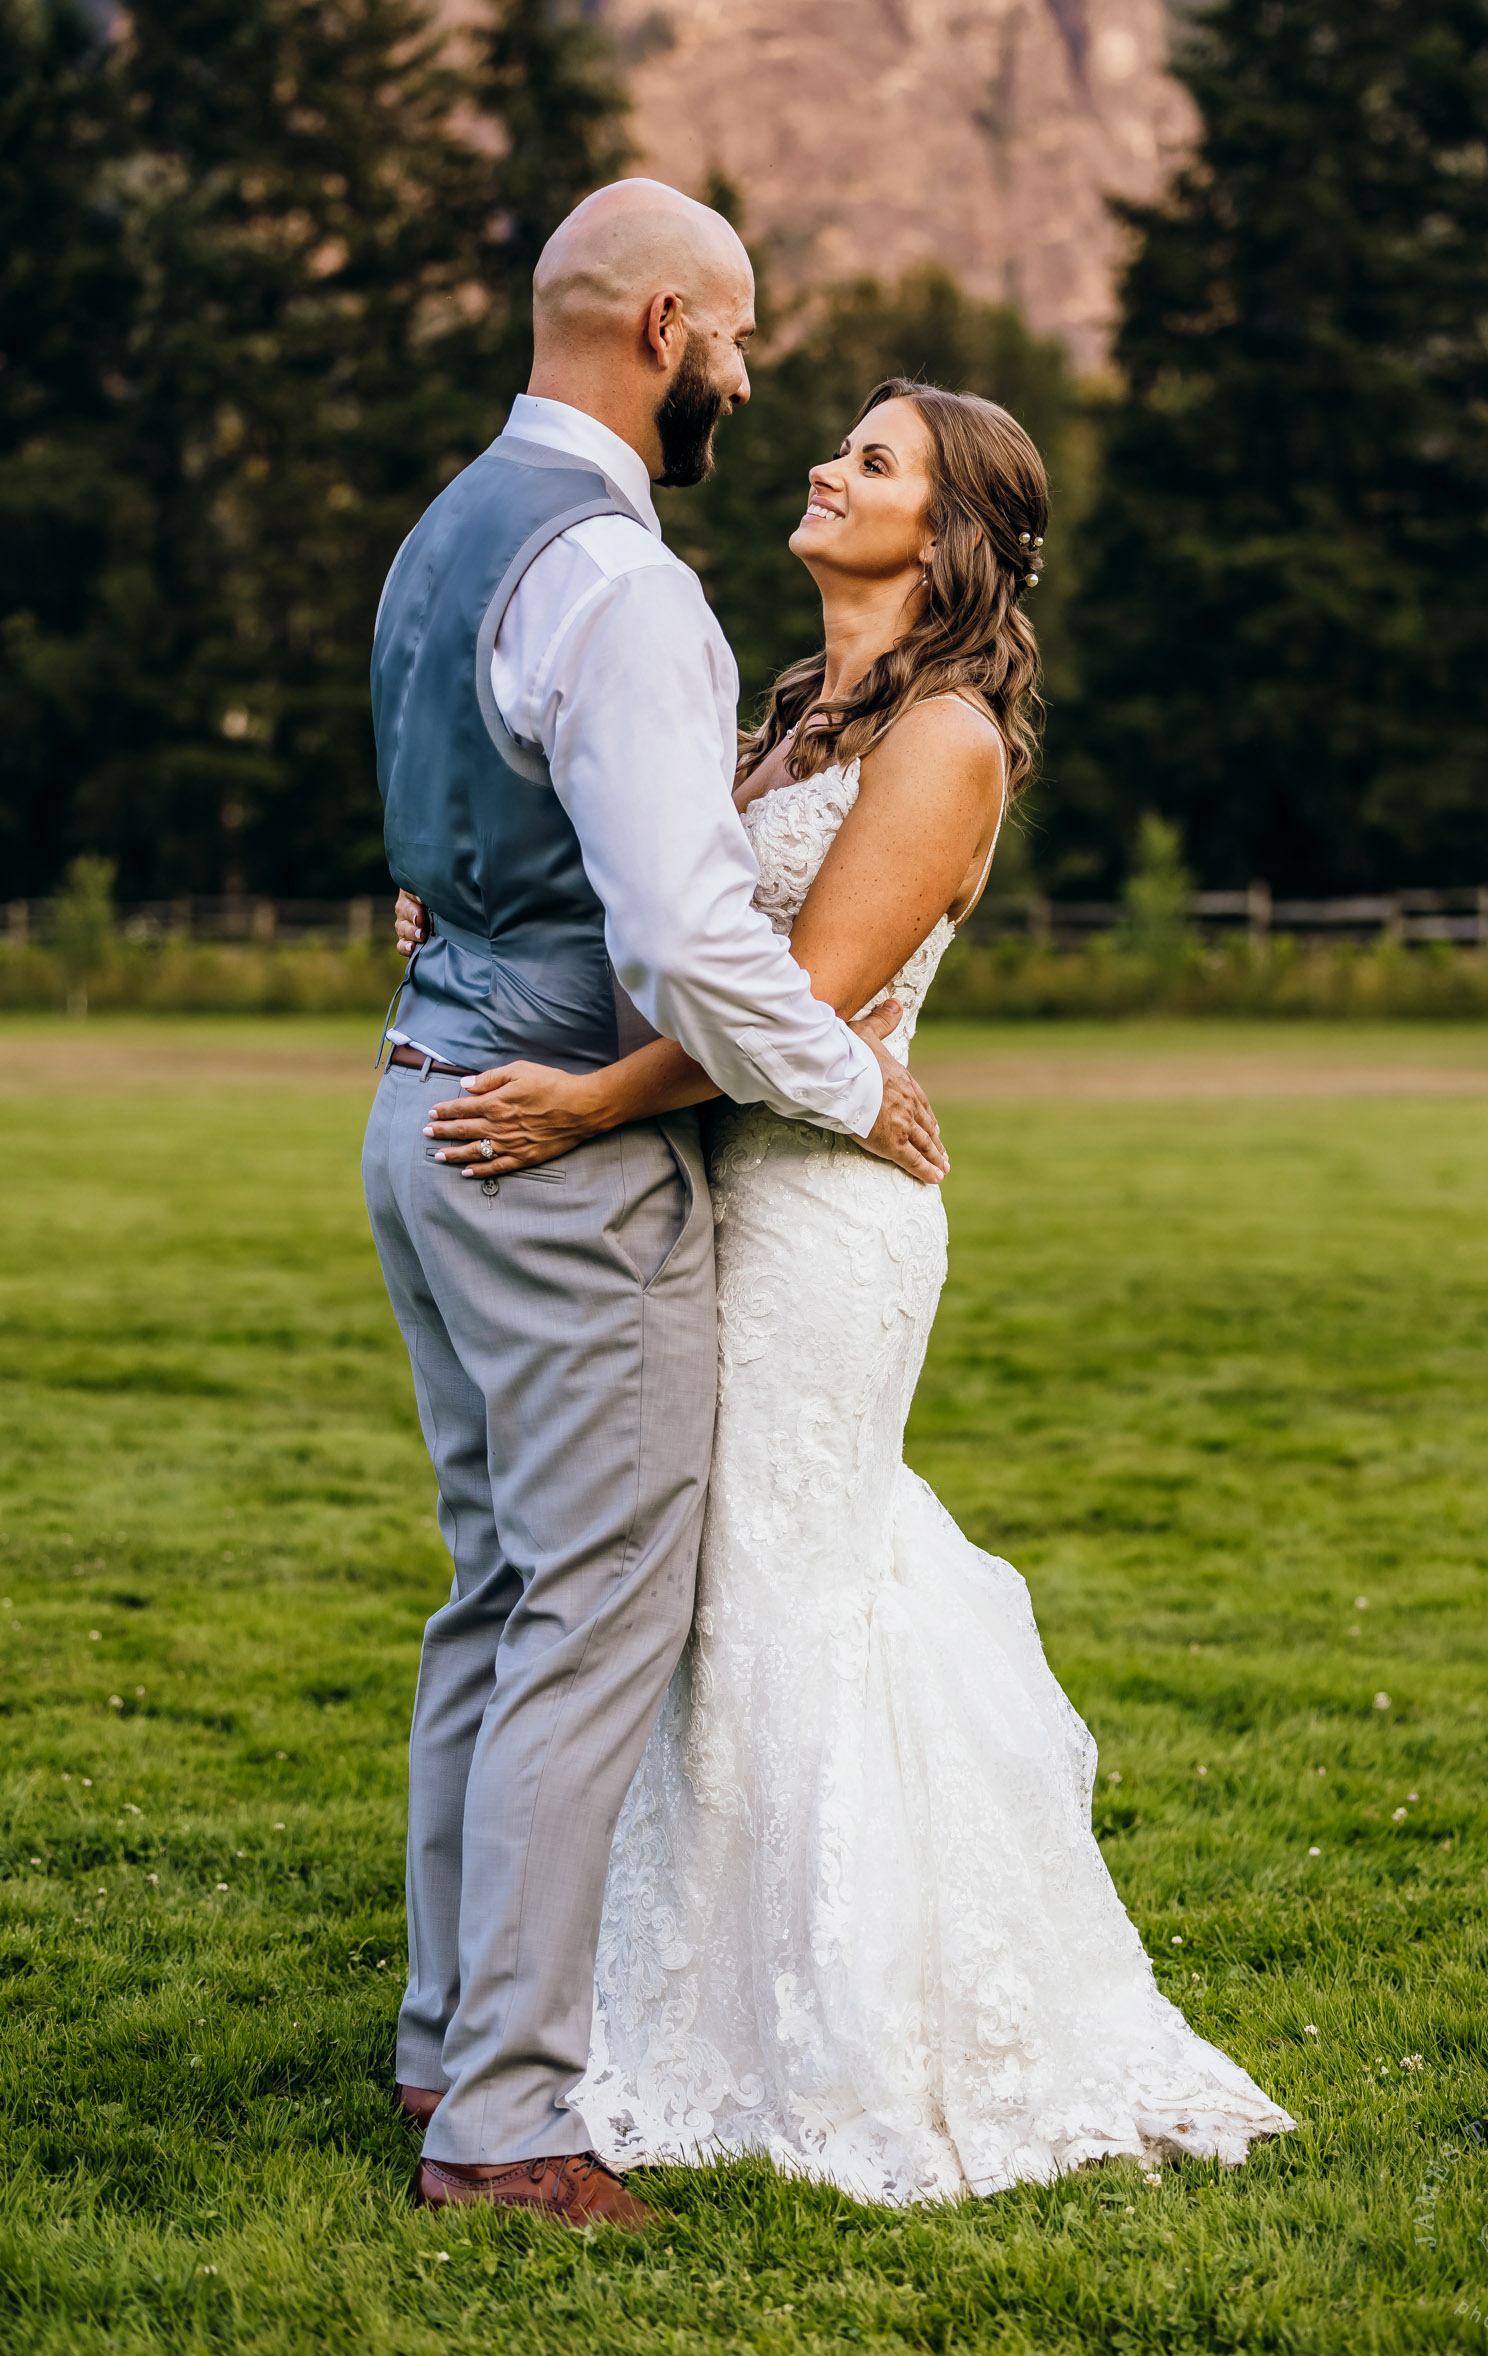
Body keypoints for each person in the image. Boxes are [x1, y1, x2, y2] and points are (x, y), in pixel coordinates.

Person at [404, 376, 1296, 2202]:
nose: (825, 466)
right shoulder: (785, 711)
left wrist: (586, 1100)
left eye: (874, 462)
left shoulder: (946, 737)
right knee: (706, 1597)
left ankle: (847, 2011)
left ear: (949, 535)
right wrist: (471, 909)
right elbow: (667, 914)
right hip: (719, 1181)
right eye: (839, 445)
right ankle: (670, 1995)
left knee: (789, 1583)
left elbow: (796, 1006)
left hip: (822, 1209)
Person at [361, 179, 948, 2235]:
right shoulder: (623, 582)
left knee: (499, 1591)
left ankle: (446, 2035)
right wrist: (843, 1079)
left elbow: (445, 846)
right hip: (561, 1156)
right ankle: (506, 2121)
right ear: (665, 325)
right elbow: (693, 944)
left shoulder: (449, 533)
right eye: (743, 335)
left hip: (421, 1105)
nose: (754, 374)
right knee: (593, 1613)